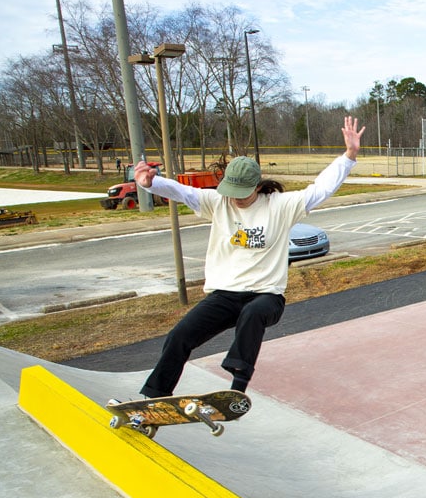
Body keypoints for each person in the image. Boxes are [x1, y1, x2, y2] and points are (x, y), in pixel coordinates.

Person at [132, 116, 365, 398]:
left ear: (257, 186)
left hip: (266, 296)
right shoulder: (216, 202)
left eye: (242, 194)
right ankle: (153, 396)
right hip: (225, 296)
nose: (236, 199)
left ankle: (237, 387)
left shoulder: (281, 205)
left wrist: (349, 155)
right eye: (232, 193)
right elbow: (181, 192)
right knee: (179, 337)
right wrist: (149, 184)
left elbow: (321, 189)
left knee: (253, 314)